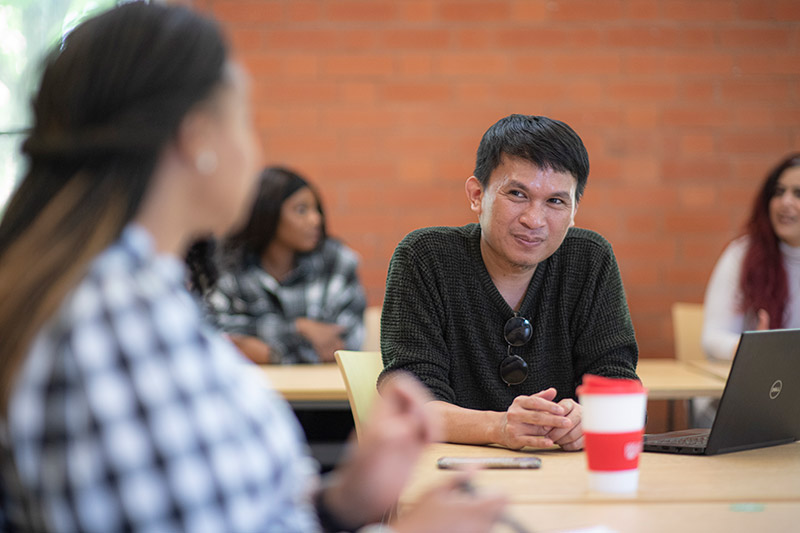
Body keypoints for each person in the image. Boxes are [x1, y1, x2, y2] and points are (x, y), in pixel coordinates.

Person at [0, 3, 505, 532]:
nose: (253, 147)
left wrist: (344, 502)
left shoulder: (140, 291)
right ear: (197, 140)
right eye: (245, 119)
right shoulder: (112, 320)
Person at [380, 114, 640, 452]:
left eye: (556, 201)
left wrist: (585, 418)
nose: (534, 220)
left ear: (575, 209)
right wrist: (498, 426)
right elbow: (411, 402)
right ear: (477, 194)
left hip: (564, 477)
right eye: (517, 194)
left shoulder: (589, 260)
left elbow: (617, 380)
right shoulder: (426, 258)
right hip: (450, 477)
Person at [207, 166, 366, 364]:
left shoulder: (337, 262)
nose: (315, 219)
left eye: (316, 209)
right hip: (253, 387)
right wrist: (300, 327)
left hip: (325, 391)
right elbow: (213, 336)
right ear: (268, 214)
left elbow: (347, 344)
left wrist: (268, 353)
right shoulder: (230, 265)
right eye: (301, 210)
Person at [702, 154, 800, 361]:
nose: (785, 202)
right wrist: (753, 348)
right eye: (779, 192)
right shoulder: (742, 254)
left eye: (798, 193)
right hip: (753, 386)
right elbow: (712, 338)